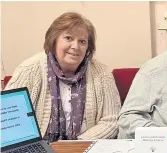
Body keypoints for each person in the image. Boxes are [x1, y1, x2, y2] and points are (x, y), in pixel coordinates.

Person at [5, 12, 121, 142]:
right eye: (68, 38)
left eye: (82, 41)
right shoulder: (29, 70)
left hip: (83, 148)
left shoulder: (101, 73)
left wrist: (77, 144)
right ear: (53, 40)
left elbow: (112, 120)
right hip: (39, 147)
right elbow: (7, 119)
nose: (75, 46)